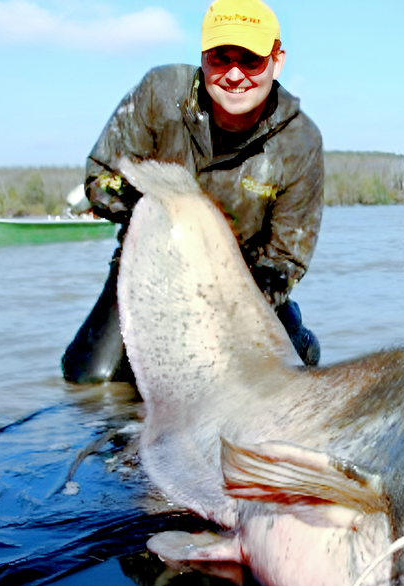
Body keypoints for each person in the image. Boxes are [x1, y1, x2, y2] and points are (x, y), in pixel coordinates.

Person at [62, 0, 323, 384]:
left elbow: (284, 260)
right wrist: (168, 213)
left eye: (250, 60)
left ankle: (294, 331)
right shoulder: (159, 93)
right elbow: (100, 179)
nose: (234, 74)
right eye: (220, 58)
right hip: (147, 266)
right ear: (203, 57)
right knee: (91, 380)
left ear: (276, 61)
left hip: (242, 284)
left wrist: (222, 312)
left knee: (273, 376)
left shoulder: (300, 141)